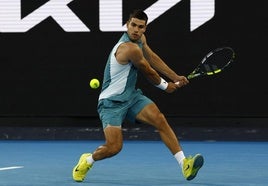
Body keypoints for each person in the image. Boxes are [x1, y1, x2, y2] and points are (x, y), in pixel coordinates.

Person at [72, 9, 204, 182]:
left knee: (160, 120)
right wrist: (167, 87)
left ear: (144, 29)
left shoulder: (140, 40)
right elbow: (149, 72)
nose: (136, 29)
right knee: (114, 147)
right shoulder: (128, 48)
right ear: (127, 25)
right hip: (111, 102)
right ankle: (87, 160)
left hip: (131, 97)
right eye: (133, 25)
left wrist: (175, 76)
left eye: (140, 27)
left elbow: (151, 57)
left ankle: (184, 164)